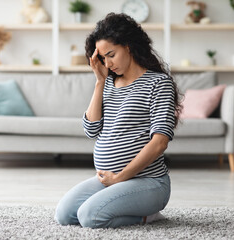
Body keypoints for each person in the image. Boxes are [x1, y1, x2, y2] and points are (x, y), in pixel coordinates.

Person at [54, 12, 182, 229]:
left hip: (149, 183)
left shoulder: (159, 83)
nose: (107, 62)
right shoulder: (108, 83)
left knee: (89, 216)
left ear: (128, 46)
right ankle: (118, 200)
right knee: (64, 215)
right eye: (102, 58)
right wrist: (99, 82)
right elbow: (91, 129)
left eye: (111, 54)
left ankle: (149, 216)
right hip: (109, 180)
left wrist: (120, 177)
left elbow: (160, 142)